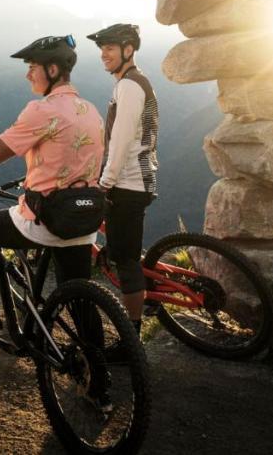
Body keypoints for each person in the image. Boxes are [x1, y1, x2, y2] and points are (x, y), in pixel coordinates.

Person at [0, 34, 105, 342]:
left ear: (52, 70)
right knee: (79, 298)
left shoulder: (42, 110)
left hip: (46, 220)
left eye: (32, 67)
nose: (28, 74)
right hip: (84, 220)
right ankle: (96, 369)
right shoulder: (91, 109)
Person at [87, 23, 158, 337]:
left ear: (128, 50)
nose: (104, 54)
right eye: (102, 48)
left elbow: (121, 140)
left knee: (126, 262)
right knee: (124, 249)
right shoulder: (130, 82)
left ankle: (132, 337)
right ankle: (145, 292)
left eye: (110, 48)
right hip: (132, 180)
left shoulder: (129, 86)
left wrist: (105, 183)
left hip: (128, 184)